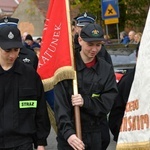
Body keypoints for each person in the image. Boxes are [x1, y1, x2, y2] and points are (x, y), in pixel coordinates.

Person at [54, 23, 118, 150]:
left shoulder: (106, 69)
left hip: (96, 135)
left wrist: (86, 102)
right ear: (80, 40)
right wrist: (69, 134)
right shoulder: (67, 68)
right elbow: (60, 107)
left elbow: (107, 103)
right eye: (90, 44)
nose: (94, 49)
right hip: (71, 138)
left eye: (98, 45)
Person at [0, 18, 50, 149]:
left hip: (22, 142)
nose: (12, 55)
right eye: (8, 50)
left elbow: (40, 110)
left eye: (16, 50)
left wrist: (41, 143)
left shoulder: (30, 75)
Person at [108, 42, 140, 142]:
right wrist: (125, 136)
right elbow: (116, 115)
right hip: (133, 140)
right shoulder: (128, 81)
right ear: (137, 57)